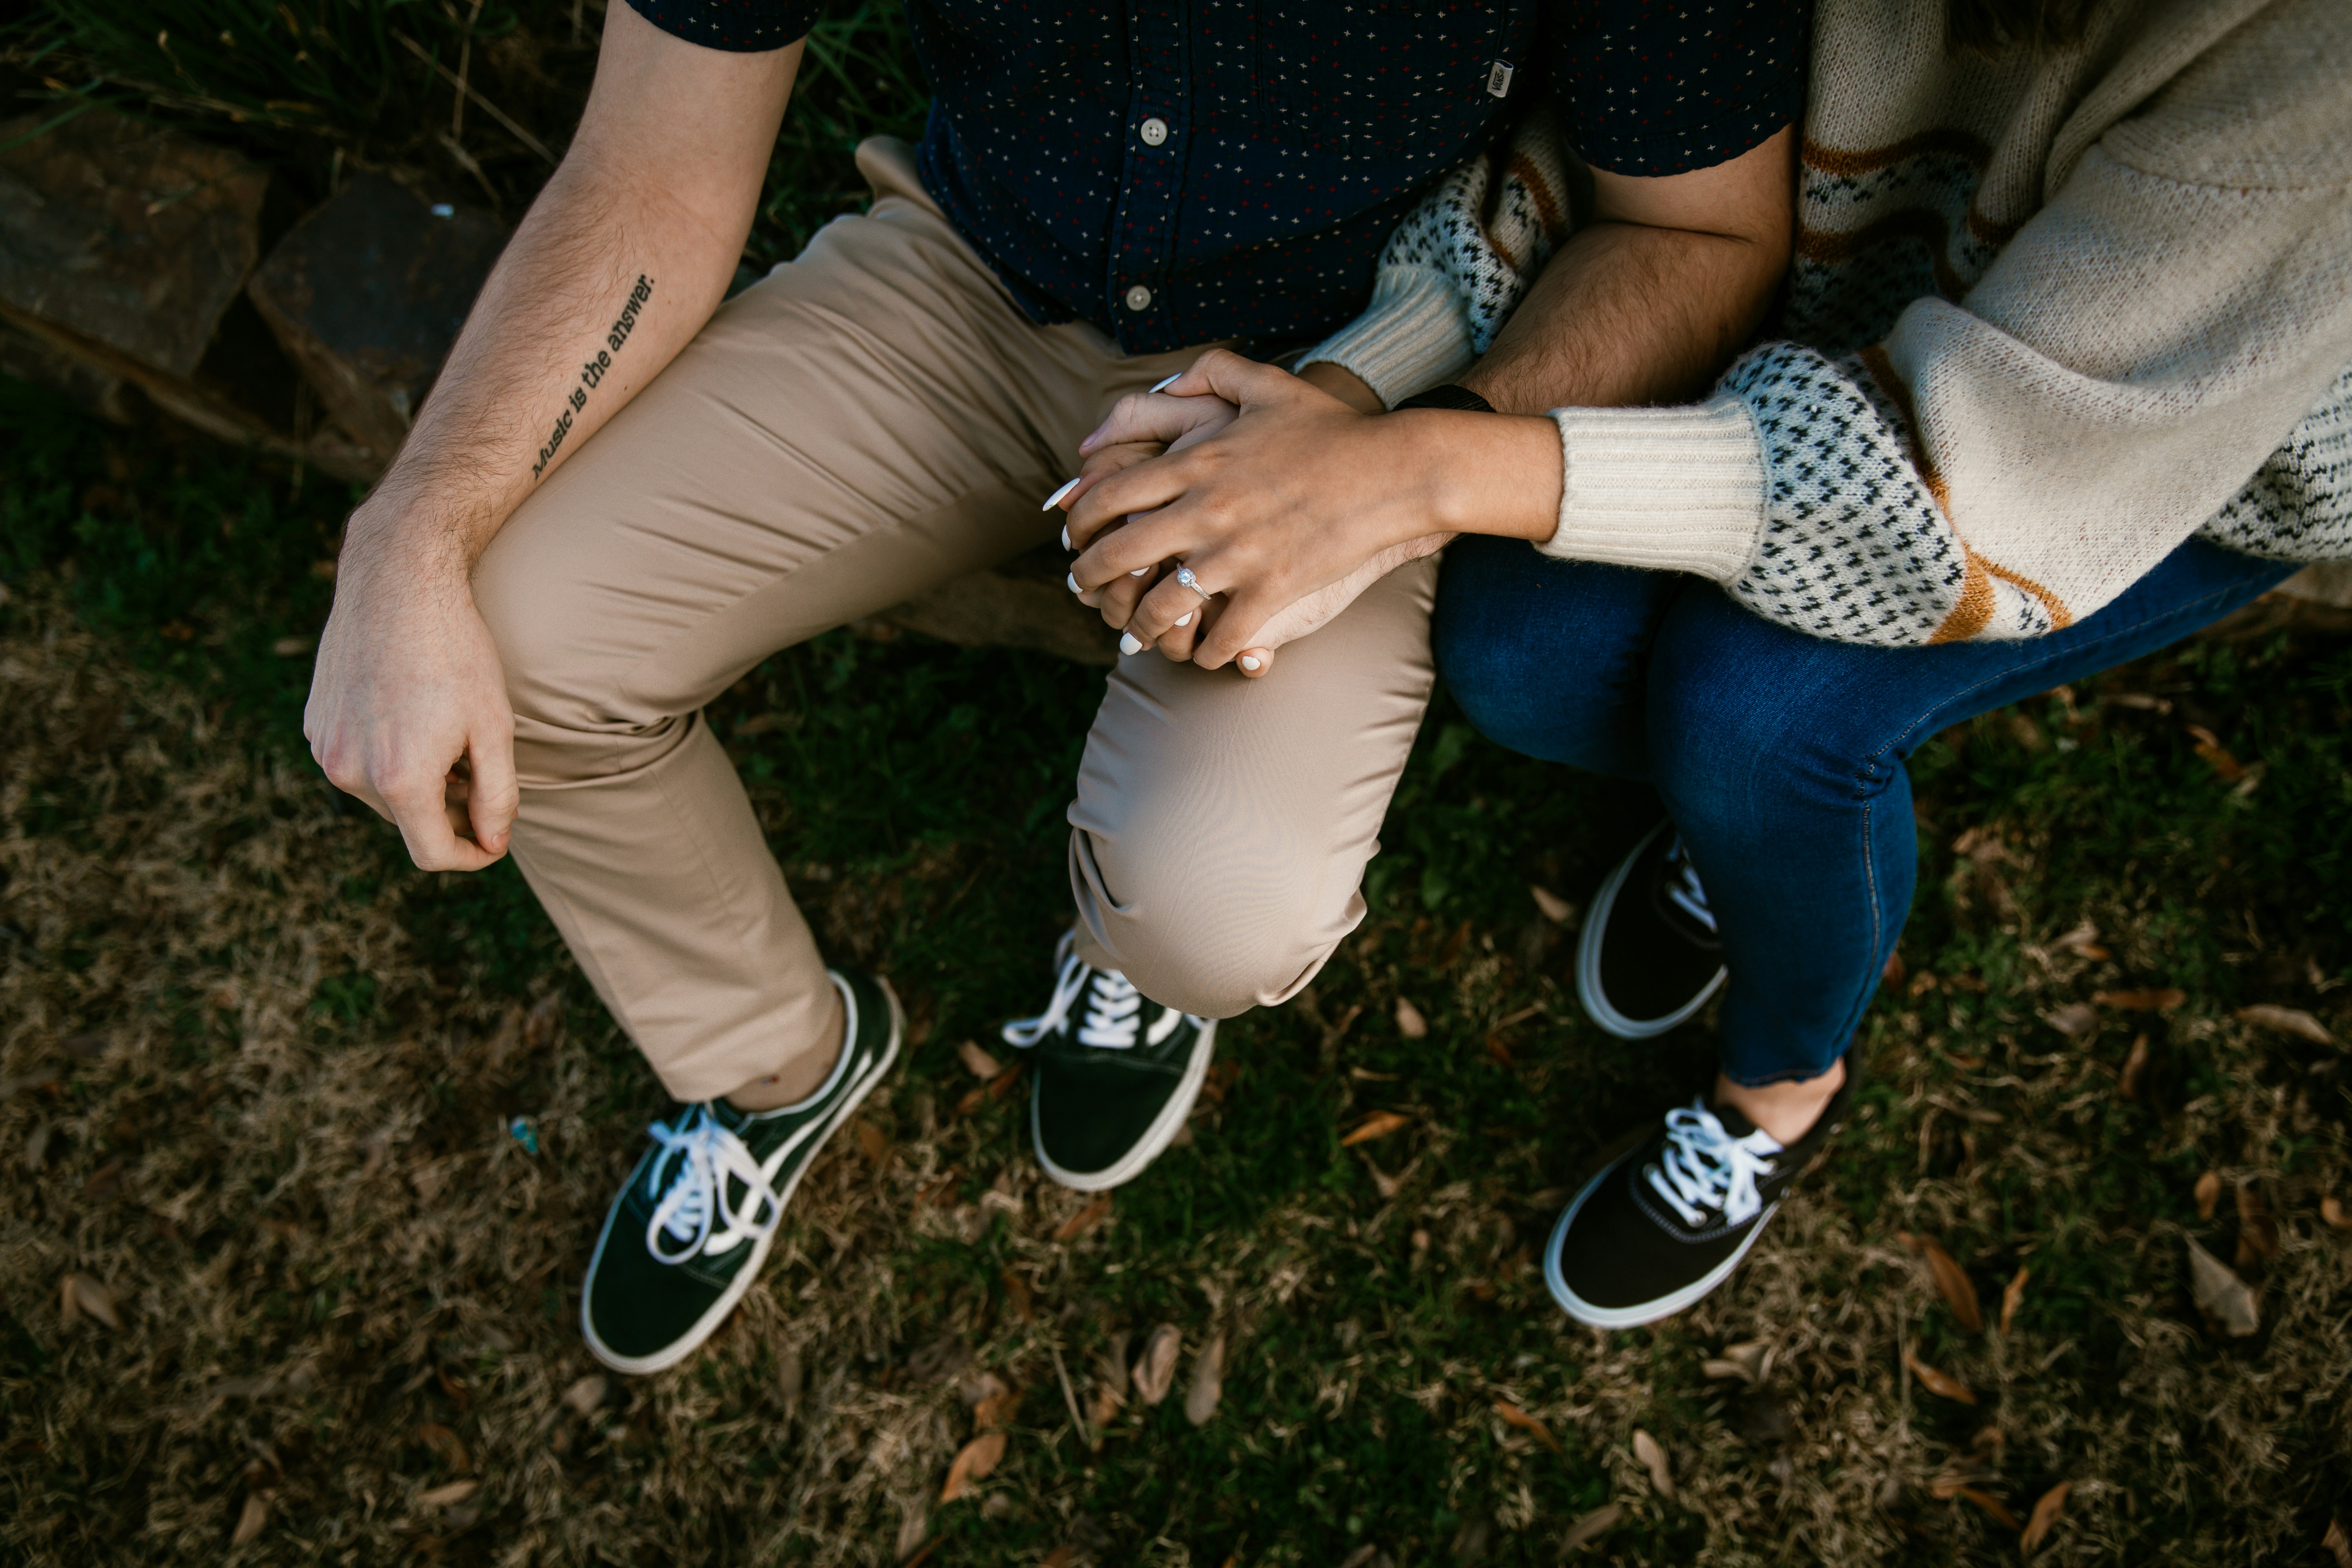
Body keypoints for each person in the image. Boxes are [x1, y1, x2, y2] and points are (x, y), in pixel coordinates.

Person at [301, 0, 1811, 1373]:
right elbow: (653, 163)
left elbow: (1702, 232)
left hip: (1347, 377)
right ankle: (774, 1065)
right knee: (511, 638)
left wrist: (1400, 471)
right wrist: (414, 522)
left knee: (1213, 903)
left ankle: (1129, 960)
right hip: (963, 286)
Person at [1065, 0, 2352, 1330]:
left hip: (2155, 444)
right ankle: (1731, 837)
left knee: (1759, 719)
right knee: (1518, 641)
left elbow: (1984, 485)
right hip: (1846, 299)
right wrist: (1353, 402)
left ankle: (1781, 1088)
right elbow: (1640, 129)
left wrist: (1412, 469)